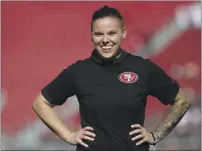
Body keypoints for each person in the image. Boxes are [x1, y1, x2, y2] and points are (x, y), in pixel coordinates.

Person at [32, 5, 191, 151]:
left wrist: (156, 135)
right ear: (92, 36)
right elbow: (41, 103)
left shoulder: (143, 68)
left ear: (124, 33)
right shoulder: (78, 71)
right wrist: (68, 135)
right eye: (99, 34)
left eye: (112, 33)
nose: (105, 40)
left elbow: (181, 101)